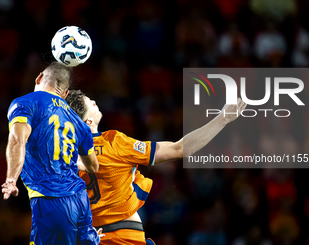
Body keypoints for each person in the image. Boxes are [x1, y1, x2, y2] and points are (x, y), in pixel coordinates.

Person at [65, 89, 247, 245]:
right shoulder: (114, 142)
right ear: (88, 122)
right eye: (90, 102)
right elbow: (181, 148)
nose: (95, 101)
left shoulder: (61, 154)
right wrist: (223, 119)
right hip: (125, 237)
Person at [2, 62, 102, 245]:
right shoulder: (79, 124)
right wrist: (70, 160)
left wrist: (11, 179)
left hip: (51, 201)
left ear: (39, 78)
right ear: (65, 94)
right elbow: (93, 167)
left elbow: (17, 140)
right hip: (80, 200)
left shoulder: (25, 103)